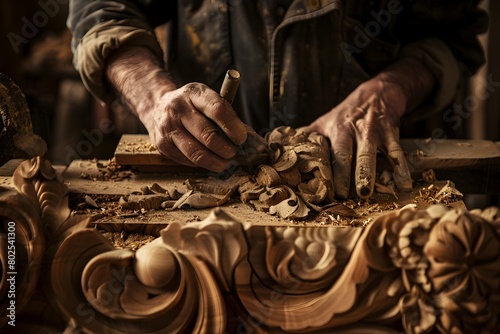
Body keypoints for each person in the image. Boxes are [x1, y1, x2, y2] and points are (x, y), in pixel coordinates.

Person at [67, 0, 487, 199]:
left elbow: (454, 39)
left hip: (365, 182)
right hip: (204, 181)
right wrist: (152, 95)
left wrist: (388, 91)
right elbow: (102, 10)